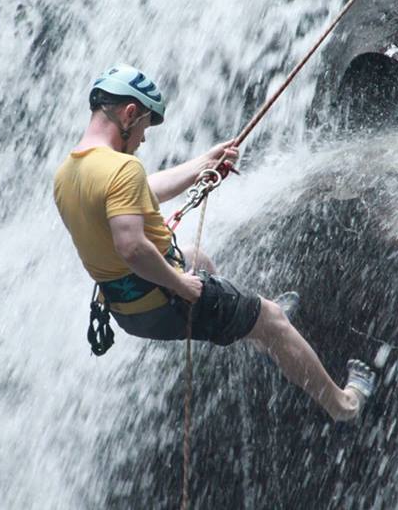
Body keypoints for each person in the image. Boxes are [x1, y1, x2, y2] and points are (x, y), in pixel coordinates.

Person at [53, 64, 375, 421]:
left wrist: (203, 164)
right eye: (144, 127)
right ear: (129, 113)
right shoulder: (123, 169)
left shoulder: (69, 172)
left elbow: (141, 190)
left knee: (198, 259)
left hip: (126, 309)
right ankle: (343, 405)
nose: (142, 139)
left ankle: (250, 328)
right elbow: (132, 248)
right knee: (273, 318)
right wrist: (181, 285)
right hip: (163, 301)